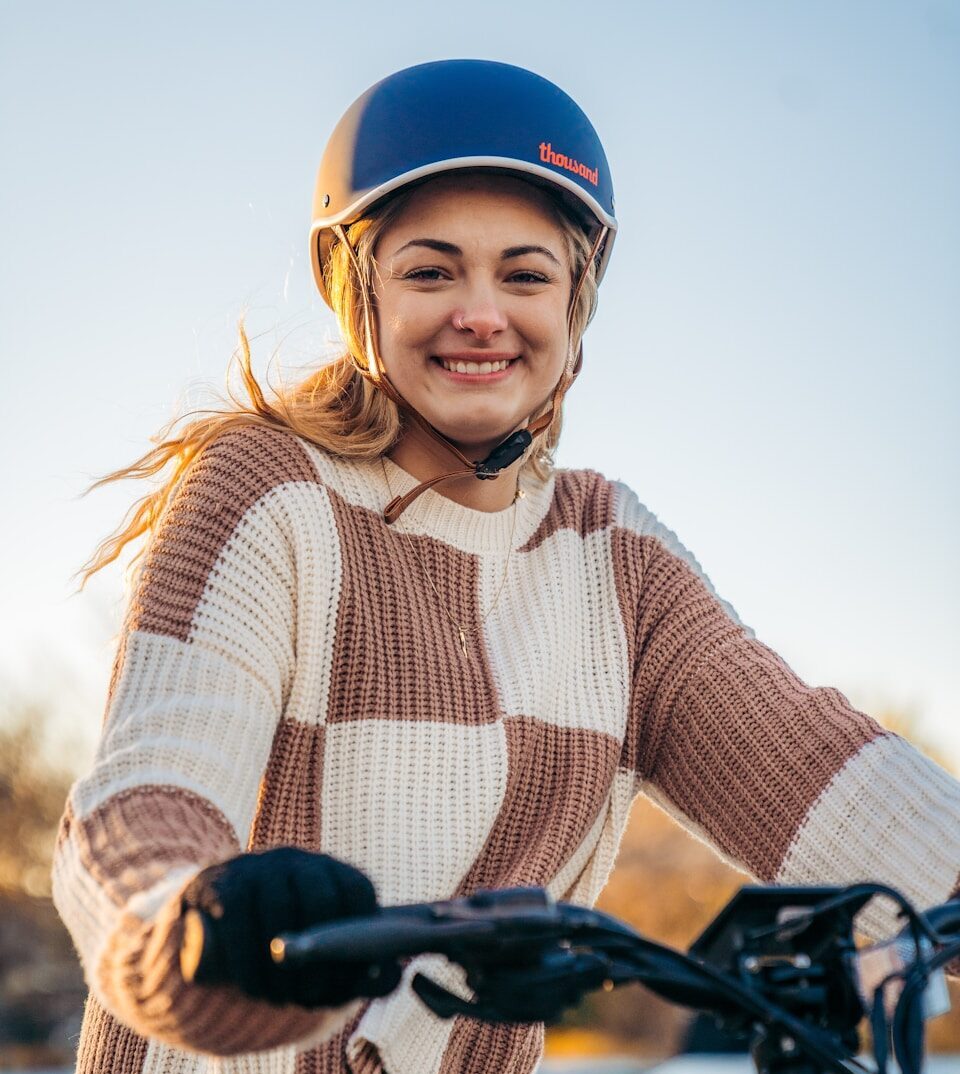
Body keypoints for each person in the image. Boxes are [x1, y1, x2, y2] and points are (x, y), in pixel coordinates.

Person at [53, 59, 960, 1074]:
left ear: (575, 305)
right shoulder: (268, 490)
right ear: (361, 297)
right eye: (431, 271)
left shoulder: (615, 558)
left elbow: (819, 778)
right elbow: (143, 795)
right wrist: (181, 922)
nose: (481, 313)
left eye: (524, 275)